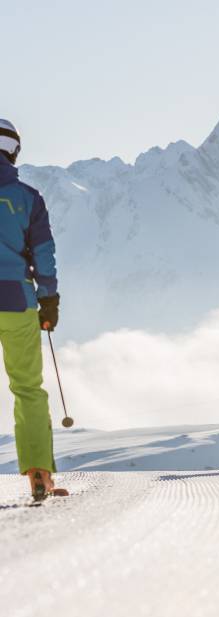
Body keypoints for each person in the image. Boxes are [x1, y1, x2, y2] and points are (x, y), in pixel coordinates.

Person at [0, 119, 66, 500]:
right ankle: (39, 473)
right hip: (16, 302)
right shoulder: (28, 198)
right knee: (27, 388)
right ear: (14, 151)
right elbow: (44, 253)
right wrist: (49, 299)